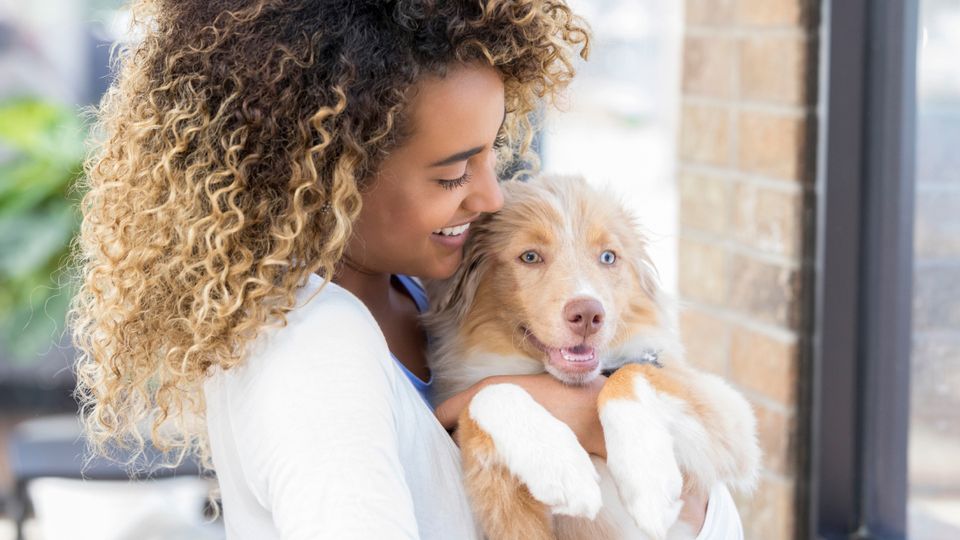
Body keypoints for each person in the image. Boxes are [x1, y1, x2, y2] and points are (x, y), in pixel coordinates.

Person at [71, 0, 743, 538]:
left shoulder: (428, 288)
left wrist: (480, 404)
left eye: (492, 154)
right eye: (454, 173)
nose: (491, 198)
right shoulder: (313, 349)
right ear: (335, 174)